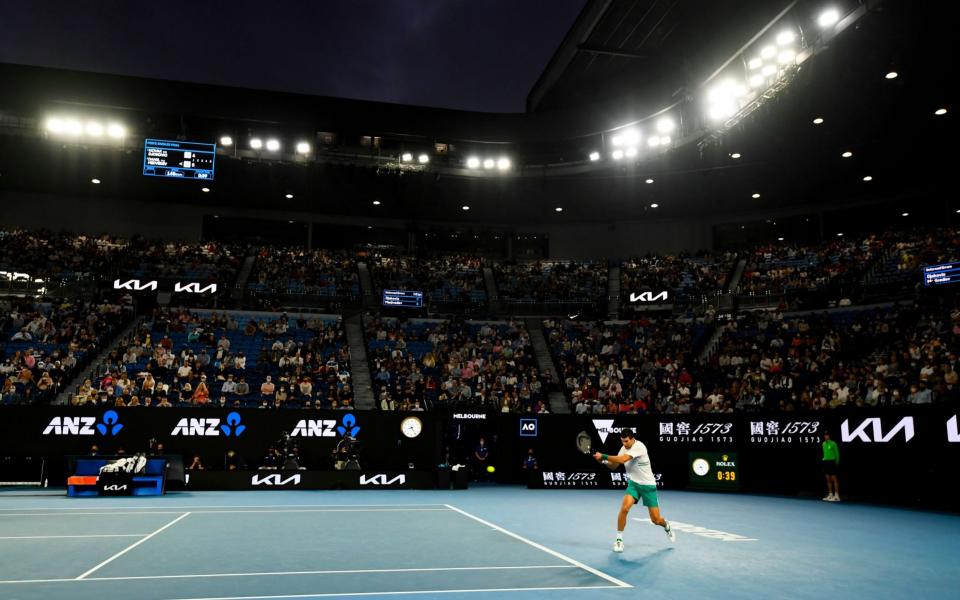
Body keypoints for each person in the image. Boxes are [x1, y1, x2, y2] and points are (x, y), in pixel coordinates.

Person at [593, 428, 674, 552]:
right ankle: (619, 540)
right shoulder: (623, 448)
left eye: (626, 441)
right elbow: (614, 466)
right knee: (624, 508)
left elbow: (622, 460)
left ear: (632, 438)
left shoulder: (639, 446)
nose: (624, 444)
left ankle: (666, 525)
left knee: (655, 520)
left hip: (648, 486)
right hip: (634, 484)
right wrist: (603, 461)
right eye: (622, 441)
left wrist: (603, 455)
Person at [821, 431, 841, 502]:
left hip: (832, 462)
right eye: (825, 435)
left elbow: (837, 454)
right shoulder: (823, 444)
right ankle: (830, 494)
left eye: (827, 435)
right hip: (826, 462)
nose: (826, 436)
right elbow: (824, 453)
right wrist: (824, 459)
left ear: (829, 436)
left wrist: (836, 463)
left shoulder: (833, 443)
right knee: (828, 479)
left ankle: (837, 495)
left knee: (834, 479)